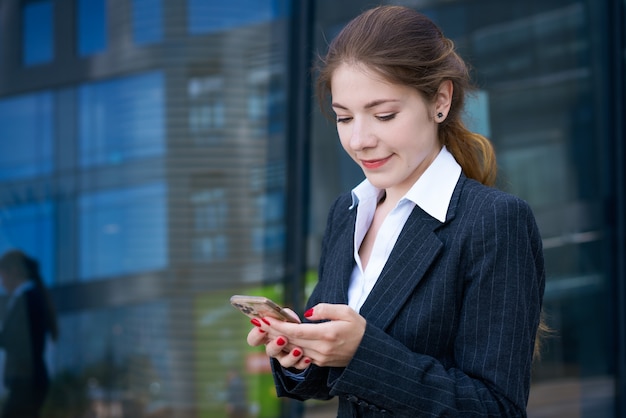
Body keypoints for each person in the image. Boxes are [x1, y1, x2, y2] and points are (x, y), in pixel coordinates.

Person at [246, 5, 545, 417]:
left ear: (440, 99)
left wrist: (361, 351)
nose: (359, 140)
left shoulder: (492, 221)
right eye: (343, 118)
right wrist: (299, 351)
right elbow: (332, 380)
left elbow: (496, 408)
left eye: (383, 115)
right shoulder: (348, 212)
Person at [0, 250, 59, 418]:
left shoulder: (28, 299)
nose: (2, 283)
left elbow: (13, 339)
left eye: (2, 276)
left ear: (13, 272)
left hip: (27, 381)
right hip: (28, 381)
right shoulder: (30, 297)